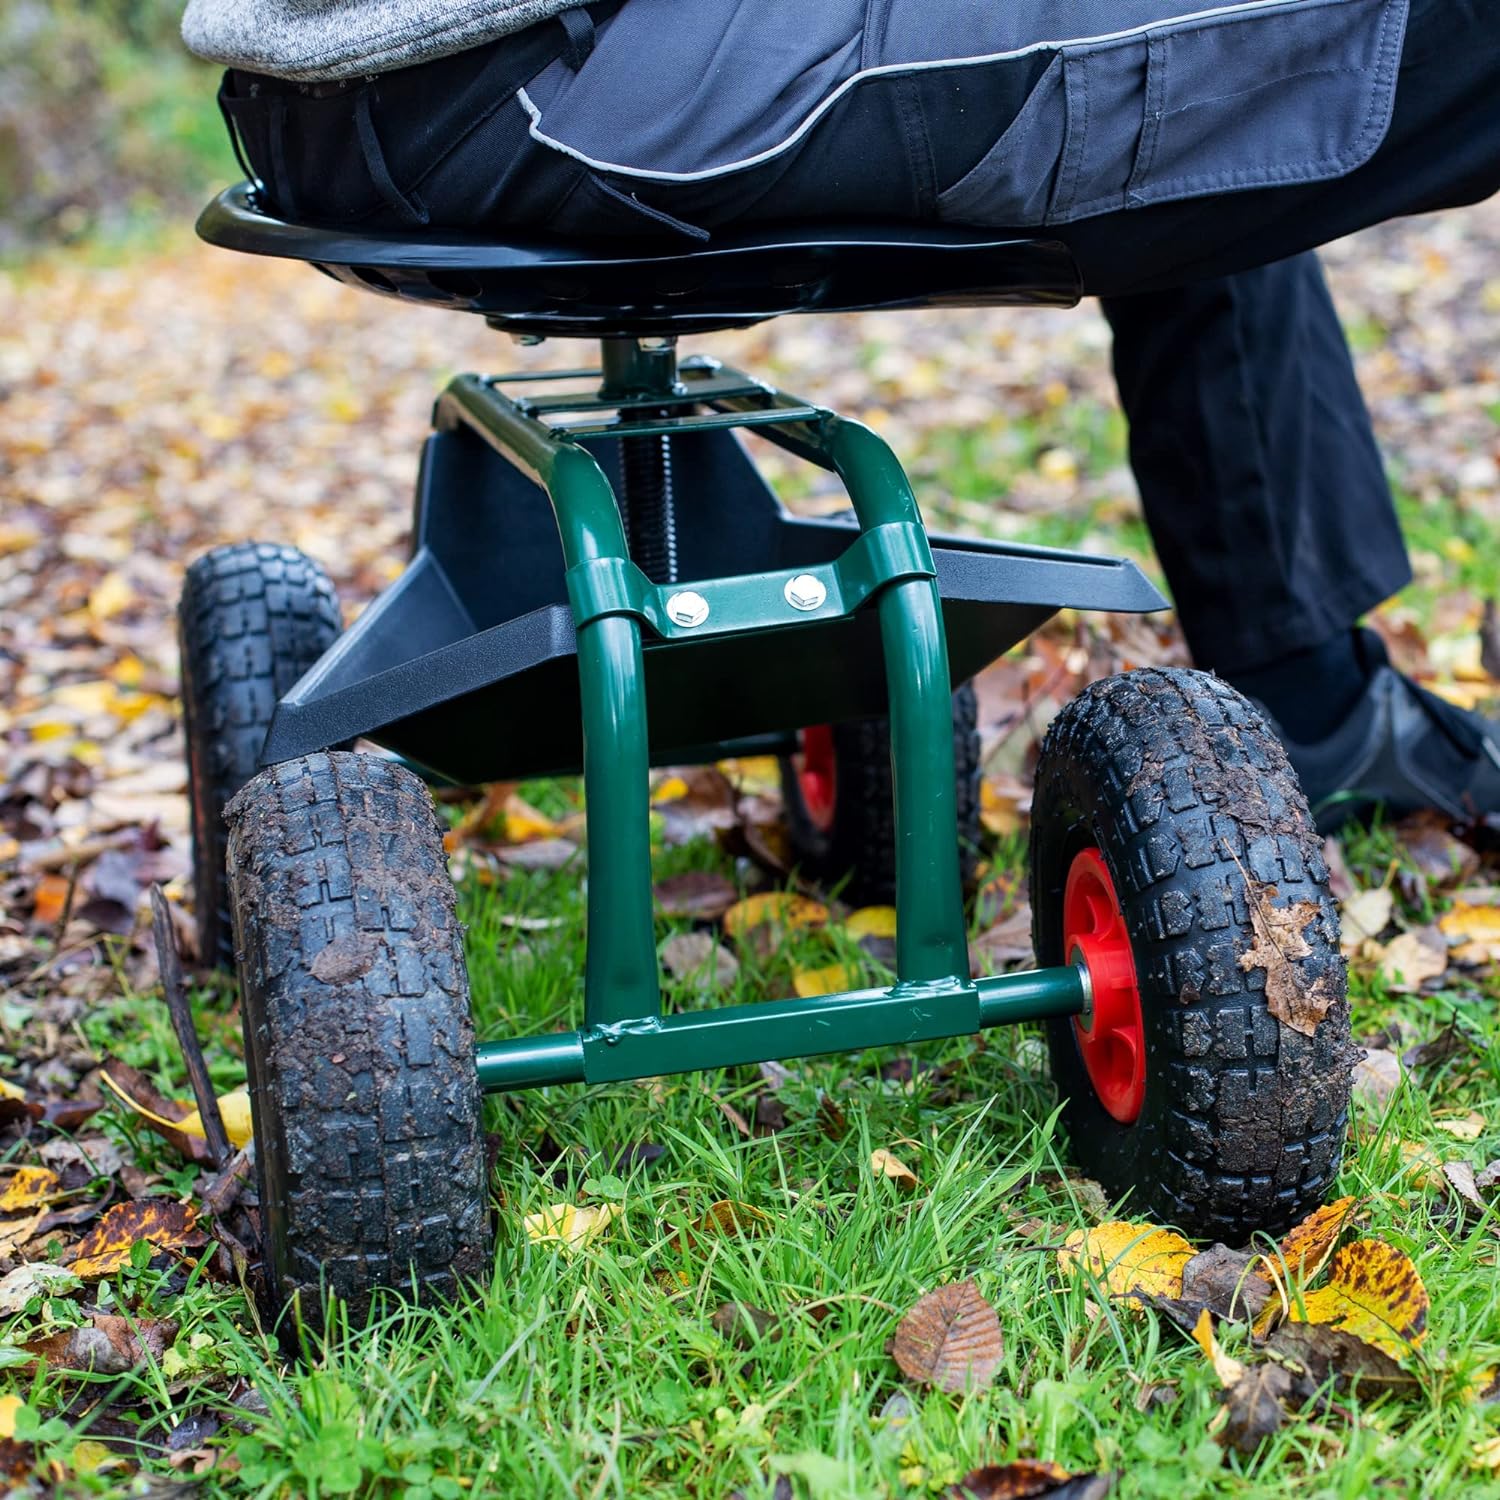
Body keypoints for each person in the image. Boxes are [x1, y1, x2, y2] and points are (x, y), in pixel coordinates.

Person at [181, 0, 1500, 830]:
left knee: (1217, 99)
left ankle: (1311, 700)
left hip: (335, 88)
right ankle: (1316, 712)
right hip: (540, 69)